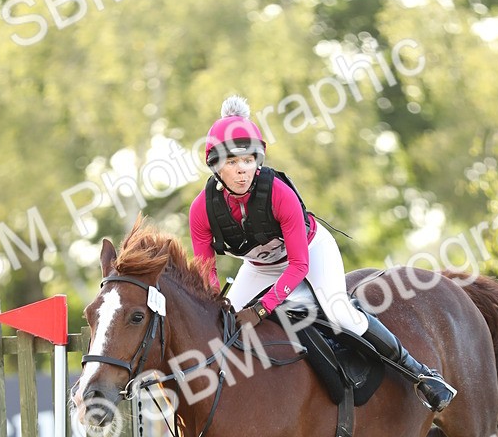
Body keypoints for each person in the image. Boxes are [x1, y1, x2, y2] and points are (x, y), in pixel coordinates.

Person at [188, 96, 456, 412]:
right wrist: (220, 305)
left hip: (311, 254)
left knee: (340, 313)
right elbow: (206, 272)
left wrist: (261, 309)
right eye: (232, 162)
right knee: (223, 327)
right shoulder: (201, 210)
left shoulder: (279, 194)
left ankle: (421, 374)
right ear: (216, 165)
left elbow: (299, 265)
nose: (242, 170)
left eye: (248, 160)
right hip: (259, 266)